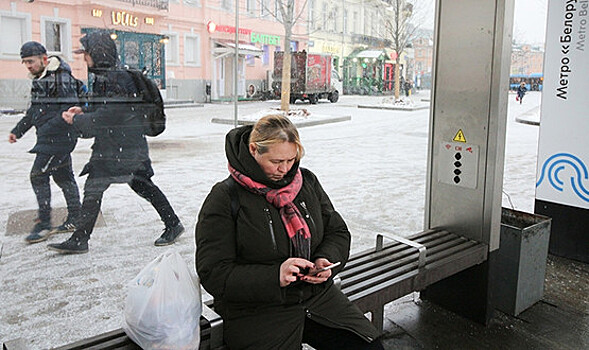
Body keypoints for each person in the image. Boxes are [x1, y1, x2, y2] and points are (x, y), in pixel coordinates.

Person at [195, 115, 384, 349]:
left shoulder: (306, 182)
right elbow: (213, 272)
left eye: (291, 160)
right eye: (276, 161)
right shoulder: (225, 198)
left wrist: (325, 260)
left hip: (315, 295)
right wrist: (275, 276)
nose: (284, 170)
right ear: (254, 150)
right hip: (257, 311)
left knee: (369, 346)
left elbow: (337, 231)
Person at [47, 32, 184, 254]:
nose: (84, 59)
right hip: (117, 147)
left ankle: (172, 224)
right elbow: (105, 110)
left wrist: (77, 120)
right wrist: (83, 111)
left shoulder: (118, 79)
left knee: (135, 186)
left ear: (97, 54)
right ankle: (81, 238)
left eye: (87, 54)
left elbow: (108, 116)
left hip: (124, 149)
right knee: (114, 186)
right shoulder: (107, 77)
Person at [9, 41, 83, 243]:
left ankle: (43, 224)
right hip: (52, 139)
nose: (28, 66)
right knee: (63, 176)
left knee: (38, 175)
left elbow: (68, 111)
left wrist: (45, 130)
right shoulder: (40, 78)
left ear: (44, 59)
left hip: (58, 139)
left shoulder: (61, 78)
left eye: (31, 61)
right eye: (25, 62)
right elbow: (34, 110)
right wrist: (18, 130)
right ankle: (76, 217)